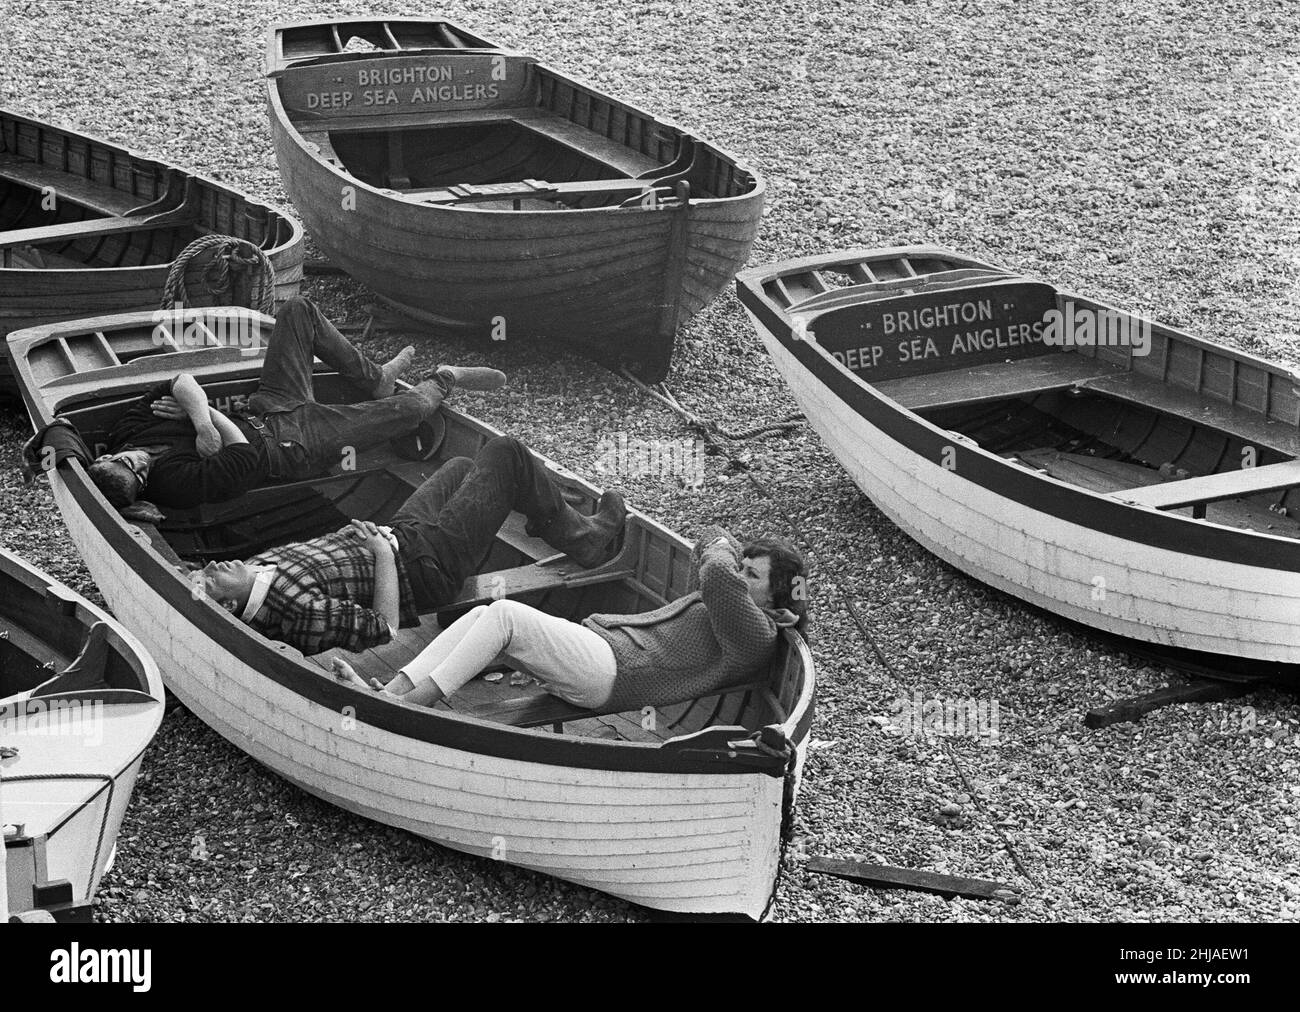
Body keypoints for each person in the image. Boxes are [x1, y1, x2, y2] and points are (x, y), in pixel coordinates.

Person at [196, 435, 628, 656]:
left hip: (404, 536)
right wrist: (383, 554)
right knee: (507, 452)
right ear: (231, 607)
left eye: (204, 569)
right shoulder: (293, 608)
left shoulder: (251, 571)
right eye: (210, 579)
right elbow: (383, 630)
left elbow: (185, 583)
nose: (213, 565)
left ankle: (536, 491)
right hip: (425, 568)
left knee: (460, 467)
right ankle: (583, 538)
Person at [87, 296, 506, 510]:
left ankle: (375, 378)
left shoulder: (127, 432)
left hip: (265, 405)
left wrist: (202, 419)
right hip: (296, 444)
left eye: (128, 461)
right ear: (144, 491)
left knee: (298, 309)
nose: (141, 465)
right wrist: (201, 413)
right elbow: (245, 456)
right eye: (140, 477)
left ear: (110, 455)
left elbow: (180, 381)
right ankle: (447, 377)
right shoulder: (173, 484)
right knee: (412, 412)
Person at [331, 527, 807, 713]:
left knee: (505, 617)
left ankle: (409, 707)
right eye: (745, 566)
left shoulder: (757, 633)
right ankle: (390, 693)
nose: (742, 576)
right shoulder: (735, 612)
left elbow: (716, 569)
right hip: (604, 660)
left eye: (755, 575)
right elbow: (707, 561)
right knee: (485, 612)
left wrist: (727, 550)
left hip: (615, 673)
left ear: (777, 601)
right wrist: (719, 547)